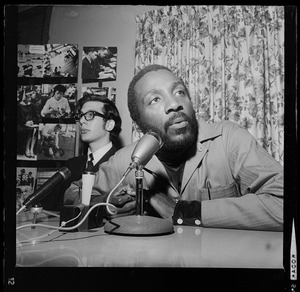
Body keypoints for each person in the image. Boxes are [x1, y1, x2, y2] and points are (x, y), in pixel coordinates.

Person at [65, 64, 283, 231]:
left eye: (179, 92)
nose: (174, 104)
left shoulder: (228, 138)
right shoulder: (127, 160)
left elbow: (284, 204)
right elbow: (72, 194)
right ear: (139, 124)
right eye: (155, 99)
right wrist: (105, 203)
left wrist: (183, 212)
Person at [40, 94, 123, 211]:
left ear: (109, 124)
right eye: (81, 116)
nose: (82, 121)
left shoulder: (122, 165)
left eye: (90, 115)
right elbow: (44, 202)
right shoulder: (71, 165)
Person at [17, 92, 39, 158]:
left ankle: (31, 149)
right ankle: (27, 149)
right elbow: (18, 117)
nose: (29, 99)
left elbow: (35, 116)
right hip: (22, 123)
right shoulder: (19, 105)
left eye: (30, 98)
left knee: (35, 130)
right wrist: (25, 122)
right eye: (28, 97)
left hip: (30, 123)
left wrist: (32, 121)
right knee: (31, 130)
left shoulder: (32, 105)